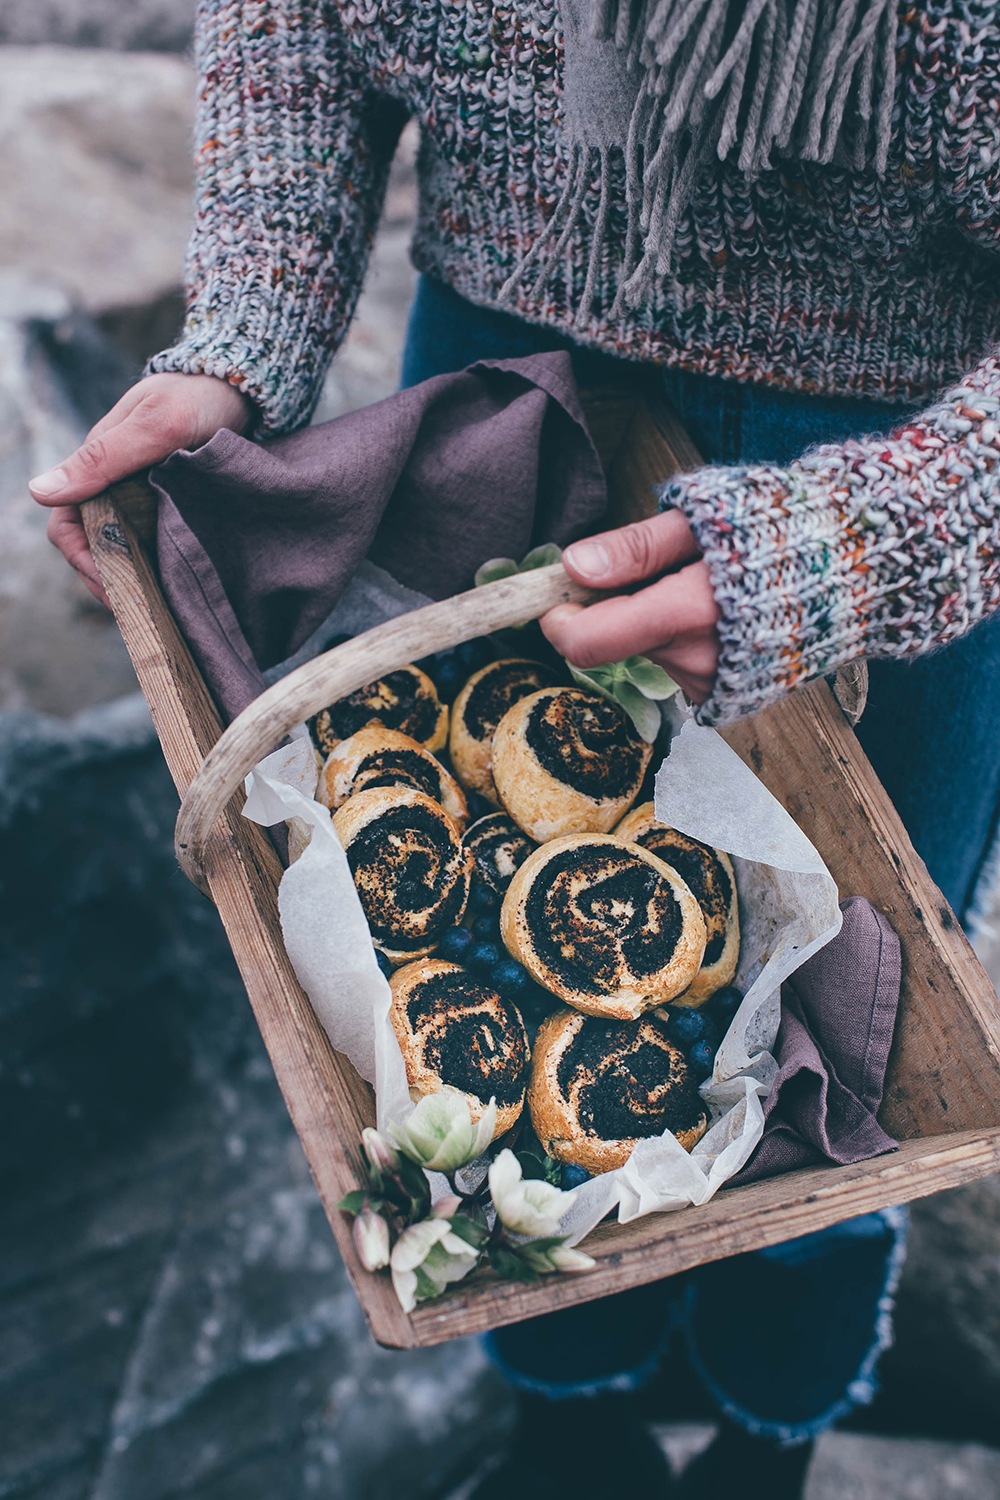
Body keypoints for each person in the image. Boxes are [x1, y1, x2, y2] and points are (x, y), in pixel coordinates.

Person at [30, 3, 1000, 1495]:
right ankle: (570, 1416)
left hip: (895, 470)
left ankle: (771, 1435)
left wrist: (874, 538)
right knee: (446, 1054)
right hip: (502, 405)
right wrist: (244, 334)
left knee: (862, 1054)